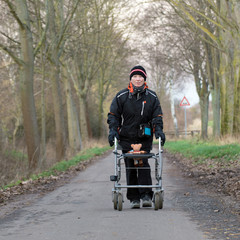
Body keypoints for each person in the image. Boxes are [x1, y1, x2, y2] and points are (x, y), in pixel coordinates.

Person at [107, 65, 165, 209]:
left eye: (140, 77)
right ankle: (133, 198)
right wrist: (113, 130)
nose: (138, 79)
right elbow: (113, 115)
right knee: (130, 164)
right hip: (126, 137)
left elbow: (157, 115)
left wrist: (158, 130)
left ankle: (146, 195)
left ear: (144, 79)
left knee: (143, 164)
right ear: (131, 79)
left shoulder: (152, 96)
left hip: (144, 137)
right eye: (135, 77)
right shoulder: (121, 96)